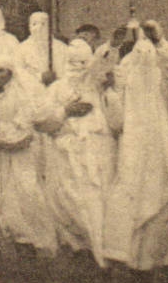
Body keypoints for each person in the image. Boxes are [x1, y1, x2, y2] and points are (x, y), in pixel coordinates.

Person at [0, 43, 62, 256]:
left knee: (22, 198)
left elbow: (23, 132)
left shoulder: (23, 95)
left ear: (10, 73)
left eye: (0, 71)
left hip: (17, 157)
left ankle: (28, 245)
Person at [100, 22, 168, 272]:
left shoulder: (164, 73)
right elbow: (116, 118)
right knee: (131, 196)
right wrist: (111, 94)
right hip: (133, 143)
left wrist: (160, 41)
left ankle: (156, 259)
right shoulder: (125, 75)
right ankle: (127, 257)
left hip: (161, 141)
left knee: (162, 198)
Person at [44, 37, 118, 267]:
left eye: (83, 63)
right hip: (67, 153)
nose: (78, 68)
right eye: (72, 63)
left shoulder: (96, 86)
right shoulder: (56, 89)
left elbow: (103, 63)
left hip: (98, 152)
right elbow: (43, 121)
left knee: (99, 202)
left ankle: (103, 254)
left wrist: (112, 45)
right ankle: (82, 248)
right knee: (70, 202)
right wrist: (65, 111)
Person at [17, 11, 65, 86]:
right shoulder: (21, 48)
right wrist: (40, 77)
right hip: (31, 88)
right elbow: (18, 71)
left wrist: (56, 76)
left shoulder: (61, 47)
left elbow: (67, 70)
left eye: (43, 24)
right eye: (34, 24)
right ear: (29, 27)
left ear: (49, 27)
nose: (38, 28)